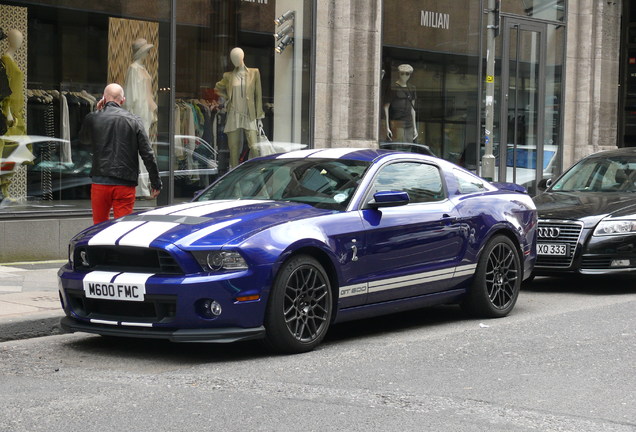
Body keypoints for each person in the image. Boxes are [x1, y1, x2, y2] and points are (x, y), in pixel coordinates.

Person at [79, 83, 162, 224]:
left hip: (100, 181)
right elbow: (147, 154)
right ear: (122, 100)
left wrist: (97, 112)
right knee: (122, 228)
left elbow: (84, 141)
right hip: (125, 182)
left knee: (99, 226)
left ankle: (100, 247)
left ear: (104, 99)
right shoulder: (134, 120)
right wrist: (155, 182)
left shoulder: (92, 118)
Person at [215, 47, 264, 168]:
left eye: (236, 57)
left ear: (242, 57)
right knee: (233, 149)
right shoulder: (228, 76)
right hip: (234, 114)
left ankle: (258, 173)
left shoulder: (254, 73)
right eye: (232, 58)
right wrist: (227, 99)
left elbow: (258, 95)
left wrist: (259, 117)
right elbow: (217, 88)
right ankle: (235, 177)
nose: (234, 60)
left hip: (249, 115)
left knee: (254, 147)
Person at [123, 38, 157, 198]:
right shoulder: (134, 69)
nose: (148, 53)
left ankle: (142, 187)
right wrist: (130, 116)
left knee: (143, 150)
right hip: (138, 113)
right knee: (140, 150)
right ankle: (140, 189)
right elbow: (130, 96)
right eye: (146, 51)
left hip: (145, 112)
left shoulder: (142, 68)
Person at [383, 64, 418, 143]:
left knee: (408, 147)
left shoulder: (412, 88)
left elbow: (413, 108)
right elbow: (386, 107)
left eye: (407, 74)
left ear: (410, 75)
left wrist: (415, 127)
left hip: (409, 124)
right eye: (402, 73)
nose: (404, 76)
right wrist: (387, 126)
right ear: (398, 73)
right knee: (398, 146)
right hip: (397, 122)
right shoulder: (393, 87)